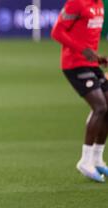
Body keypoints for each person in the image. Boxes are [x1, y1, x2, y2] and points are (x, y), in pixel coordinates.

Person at [52, 0, 108, 182]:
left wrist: (97, 58)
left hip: (91, 64)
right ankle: (85, 161)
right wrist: (83, 50)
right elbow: (57, 32)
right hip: (74, 64)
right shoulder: (76, 2)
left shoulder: (100, 4)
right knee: (100, 107)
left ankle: (97, 158)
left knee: (107, 106)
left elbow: (88, 36)